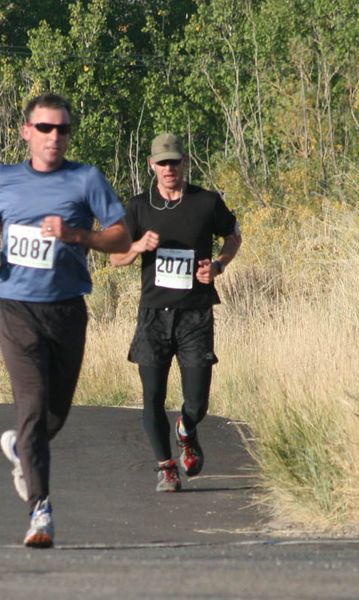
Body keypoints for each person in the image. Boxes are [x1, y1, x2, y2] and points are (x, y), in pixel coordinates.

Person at [0, 93, 130, 548]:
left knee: (55, 413)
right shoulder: (6, 178)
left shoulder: (85, 179)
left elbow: (121, 238)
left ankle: (23, 448)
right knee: (33, 405)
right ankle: (40, 510)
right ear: (26, 132)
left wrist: (77, 234)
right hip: (16, 307)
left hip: (67, 309)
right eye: (44, 128)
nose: (53, 137)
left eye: (62, 130)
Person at [110, 133, 241, 492]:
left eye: (175, 162)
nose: (169, 169)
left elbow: (233, 236)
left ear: (185, 163)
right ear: (151, 165)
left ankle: (187, 428)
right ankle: (166, 467)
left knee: (197, 400)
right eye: (162, 163)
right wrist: (137, 246)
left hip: (195, 314)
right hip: (153, 315)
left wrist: (217, 266)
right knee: (152, 396)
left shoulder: (206, 202)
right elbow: (115, 256)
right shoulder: (139, 207)